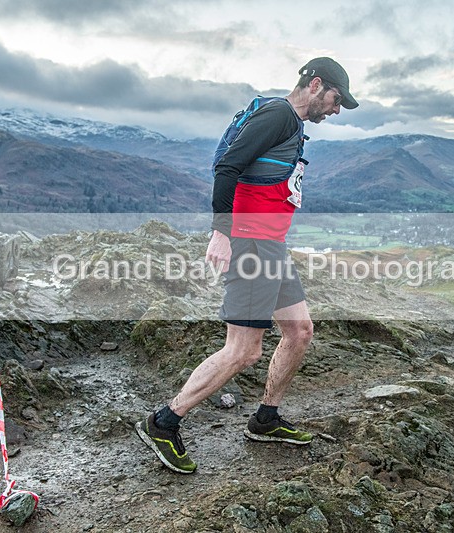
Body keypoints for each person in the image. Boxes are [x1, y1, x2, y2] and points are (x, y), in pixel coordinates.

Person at [136, 57, 358, 474]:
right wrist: (222, 231)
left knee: (299, 330)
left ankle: (265, 419)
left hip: (270, 246)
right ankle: (164, 421)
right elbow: (227, 166)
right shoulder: (279, 115)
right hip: (252, 245)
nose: (337, 108)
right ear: (315, 85)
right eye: (336, 98)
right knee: (243, 350)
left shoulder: (290, 124)